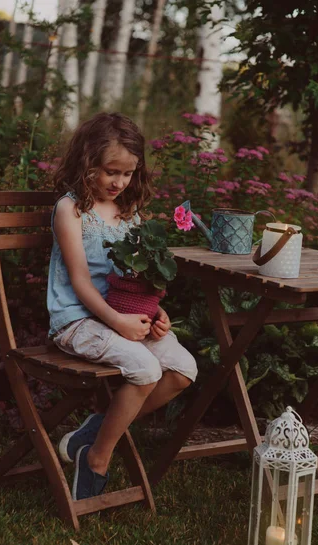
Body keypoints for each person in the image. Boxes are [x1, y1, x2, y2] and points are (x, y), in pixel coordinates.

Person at [47, 112, 198, 501]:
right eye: (111, 171)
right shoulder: (71, 211)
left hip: (122, 318)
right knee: (146, 369)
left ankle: (96, 430)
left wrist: (157, 314)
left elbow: (140, 280)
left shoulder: (131, 215)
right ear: (87, 163)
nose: (119, 182)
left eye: (128, 174)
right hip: (78, 321)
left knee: (184, 369)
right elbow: (80, 281)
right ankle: (97, 458)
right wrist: (119, 322)